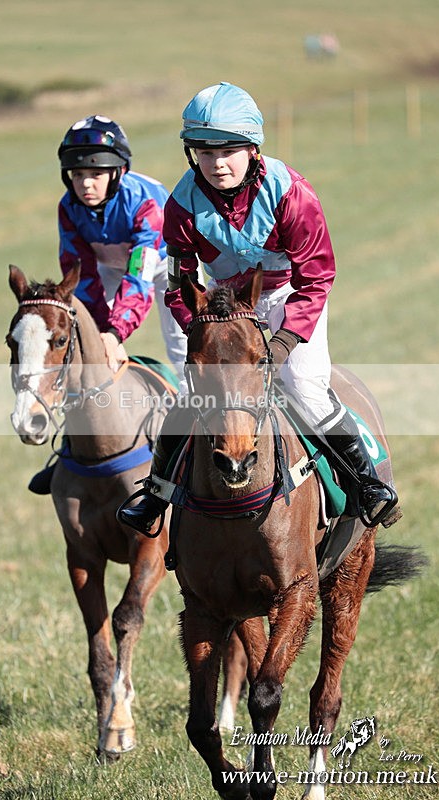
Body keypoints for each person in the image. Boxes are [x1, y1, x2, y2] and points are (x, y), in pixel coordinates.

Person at [119, 82, 400, 532]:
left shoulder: (292, 194)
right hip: (225, 308)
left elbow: (318, 276)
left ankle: (367, 483)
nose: (216, 163)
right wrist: (203, 331)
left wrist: (286, 340)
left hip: (290, 295)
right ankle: (156, 495)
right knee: (196, 394)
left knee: (304, 387)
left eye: (228, 150)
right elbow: (179, 284)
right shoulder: (181, 205)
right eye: (204, 152)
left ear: (252, 149)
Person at [28, 115, 187, 494]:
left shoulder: (145, 202)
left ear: (119, 172)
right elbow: (79, 275)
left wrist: (115, 332)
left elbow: (140, 277)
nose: (86, 184)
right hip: (106, 266)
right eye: (78, 174)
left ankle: (189, 445)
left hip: (166, 264)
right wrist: (98, 331)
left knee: (181, 349)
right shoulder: (68, 207)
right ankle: (75, 447)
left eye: (96, 174)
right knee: (85, 346)